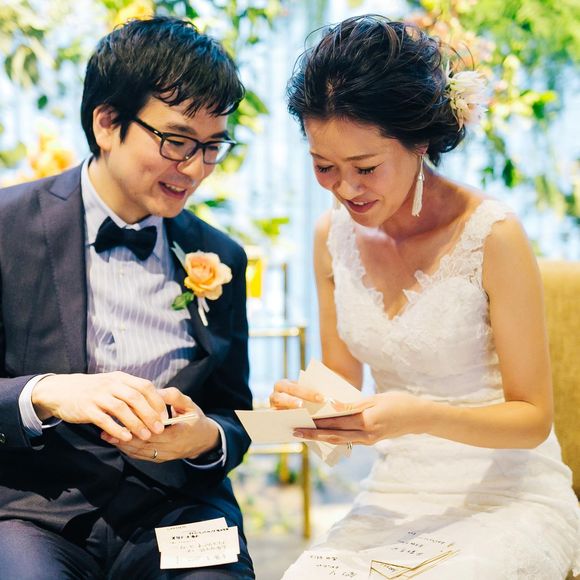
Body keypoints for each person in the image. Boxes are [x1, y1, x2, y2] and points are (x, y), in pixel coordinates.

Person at [271, 15, 580, 579]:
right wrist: (309, 411)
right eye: (324, 167)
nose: (346, 189)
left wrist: (420, 417)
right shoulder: (331, 237)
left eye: (366, 167)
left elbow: (533, 419)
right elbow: (341, 387)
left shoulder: (493, 235)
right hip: (394, 495)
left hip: (509, 495)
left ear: (419, 142)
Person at [0, 16, 254, 579]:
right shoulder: (6, 227)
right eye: (176, 142)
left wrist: (206, 438)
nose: (195, 169)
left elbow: (235, 412)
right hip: (33, 511)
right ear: (108, 122)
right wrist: (48, 393)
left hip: (180, 508)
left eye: (213, 146)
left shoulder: (220, 257)